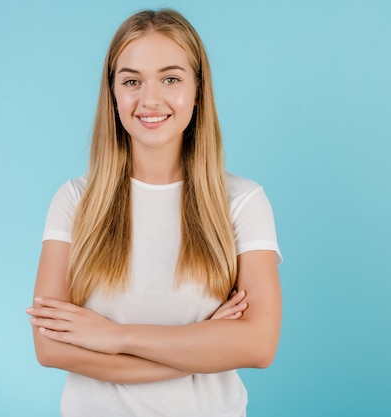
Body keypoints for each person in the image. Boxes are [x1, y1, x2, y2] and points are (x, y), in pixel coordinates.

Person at [26, 8, 282, 417]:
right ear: (112, 92)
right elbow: (49, 347)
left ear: (198, 90)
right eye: (131, 81)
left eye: (171, 79)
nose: (150, 99)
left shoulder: (243, 202)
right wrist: (202, 344)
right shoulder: (74, 200)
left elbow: (258, 346)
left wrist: (113, 337)